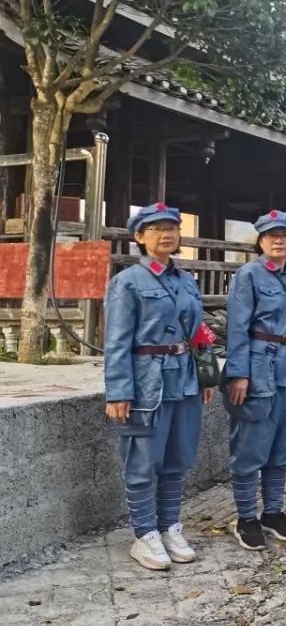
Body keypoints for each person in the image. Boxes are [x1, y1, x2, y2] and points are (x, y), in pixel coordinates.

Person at [103, 203, 215, 570]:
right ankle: (144, 534)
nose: (166, 234)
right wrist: (119, 391)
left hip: (185, 379)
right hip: (147, 381)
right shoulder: (128, 282)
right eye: (156, 229)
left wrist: (206, 376)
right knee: (143, 460)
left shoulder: (186, 280)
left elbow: (199, 332)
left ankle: (169, 527)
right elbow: (116, 342)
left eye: (172, 228)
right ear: (139, 236)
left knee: (178, 458)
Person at [224, 209, 286, 551]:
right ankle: (246, 517)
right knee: (250, 445)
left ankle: (273, 511)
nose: (278, 240)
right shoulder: (249, 275)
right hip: (258, 369)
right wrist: (238, 373)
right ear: (260, 240)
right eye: (271, 235)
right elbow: (237, 327)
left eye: (285, 235)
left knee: (283, 446)